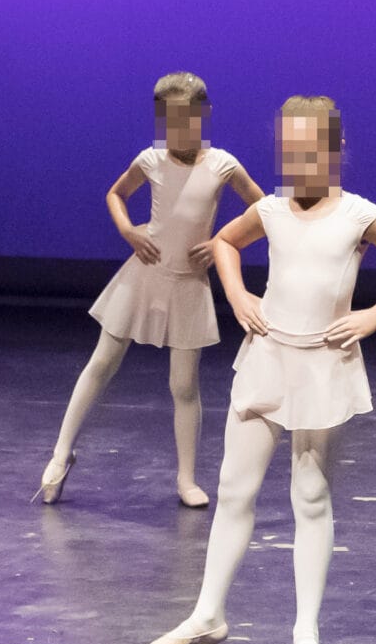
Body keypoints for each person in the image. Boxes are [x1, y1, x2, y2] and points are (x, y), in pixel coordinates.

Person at [144, 96, 376, 644]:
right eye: (288, 153)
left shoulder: (358, 215)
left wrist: (373, 316)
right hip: (267, 358)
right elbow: (225, 243)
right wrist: (238, 296)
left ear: (335, 151)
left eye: (309, 153)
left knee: (310, 496)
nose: (297, 165)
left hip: (323, 366)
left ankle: (306, 629)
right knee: (234, 490)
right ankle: (207, 613)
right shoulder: (272, 210)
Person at [38, 72, 263, 508]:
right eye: (170, 122)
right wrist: (128, 231)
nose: (179, 131)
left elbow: (261, 207)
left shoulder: (223, 165)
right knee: (102, 361)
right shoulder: (152, 160)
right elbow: (116, 194)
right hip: (145, 274)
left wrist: (221, 242)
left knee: (184, 384)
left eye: (187, 120)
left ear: (205, 115)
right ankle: (60, 454)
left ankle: (186, 478)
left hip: (188, 284)